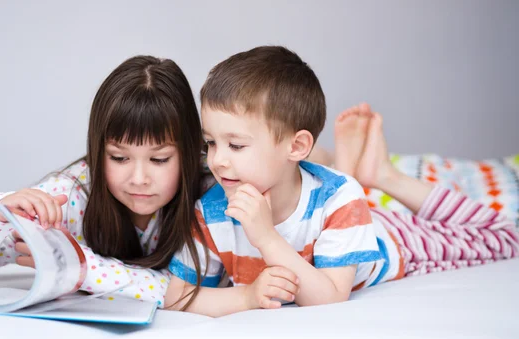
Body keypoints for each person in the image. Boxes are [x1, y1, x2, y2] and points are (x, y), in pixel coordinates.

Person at [164, 46, 519, 317]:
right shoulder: (211, 210)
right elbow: (178, 297)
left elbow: (331, 297)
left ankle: (383, 176)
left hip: (396, 243)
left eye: (236, 145)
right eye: (211, 143)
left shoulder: (338, 199)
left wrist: (266, 237)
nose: (218, 159)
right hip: (346, 227)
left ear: (297, 146)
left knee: (506, 237)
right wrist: (246, 296)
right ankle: (361, 175)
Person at [0, 55, 210, 307]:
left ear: (188, 152)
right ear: (97, 150)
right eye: (118, 158)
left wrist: (83, 268)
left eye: (159, 159)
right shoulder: (72, 194)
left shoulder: (212, 194)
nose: (139, 179)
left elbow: (190, 292)